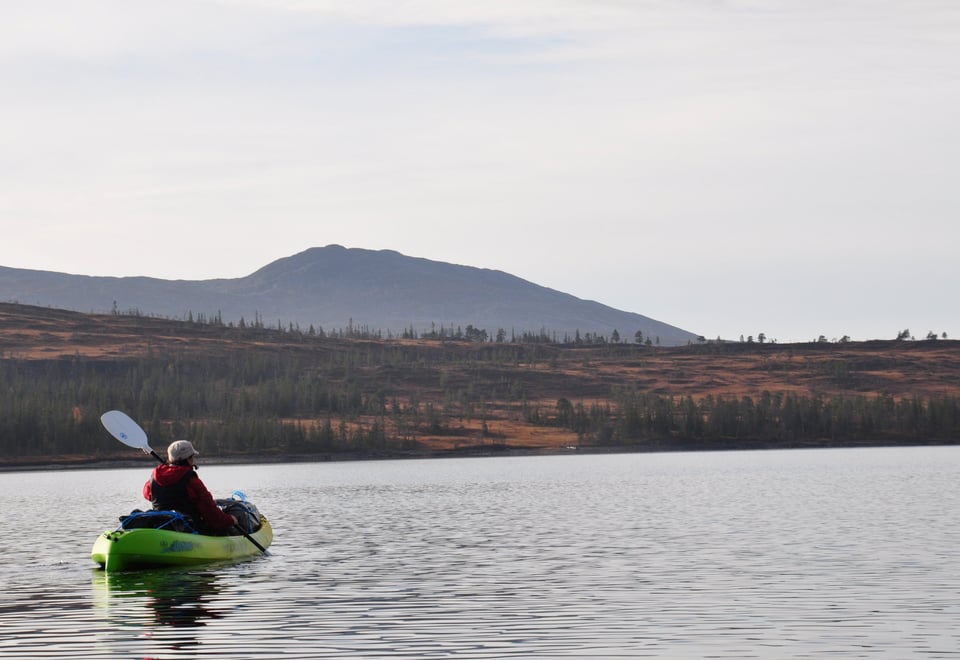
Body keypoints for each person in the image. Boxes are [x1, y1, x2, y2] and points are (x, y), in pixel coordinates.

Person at [143, 439, 238, 534]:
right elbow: (211, 513)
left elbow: (147, 495)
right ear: (189, 459)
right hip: (190, 530)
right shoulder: (191, 480)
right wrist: (230, 520)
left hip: (162, 526)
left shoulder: (155, 477)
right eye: (192, 457)